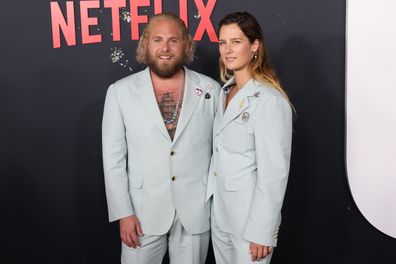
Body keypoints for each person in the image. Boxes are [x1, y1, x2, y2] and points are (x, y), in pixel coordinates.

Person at [102, 12, 220, 264]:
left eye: (173, 40)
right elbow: (112, 159)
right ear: (146, 44)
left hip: (195, 211)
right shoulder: (120, 92)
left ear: (186, 44)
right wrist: (123, 213)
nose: (165, 48)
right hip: (141, 214)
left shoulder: (211, 89)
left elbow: (222, 152)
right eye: (157, 40)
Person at [206, 12, 293, 263]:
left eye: (236, 41)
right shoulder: (223, 92)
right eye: (223, 42)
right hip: (221, 215)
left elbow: (274, 172)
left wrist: (263, 230)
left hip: (250, 222)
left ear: (254, 46)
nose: (228, 50)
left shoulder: (270, 100)